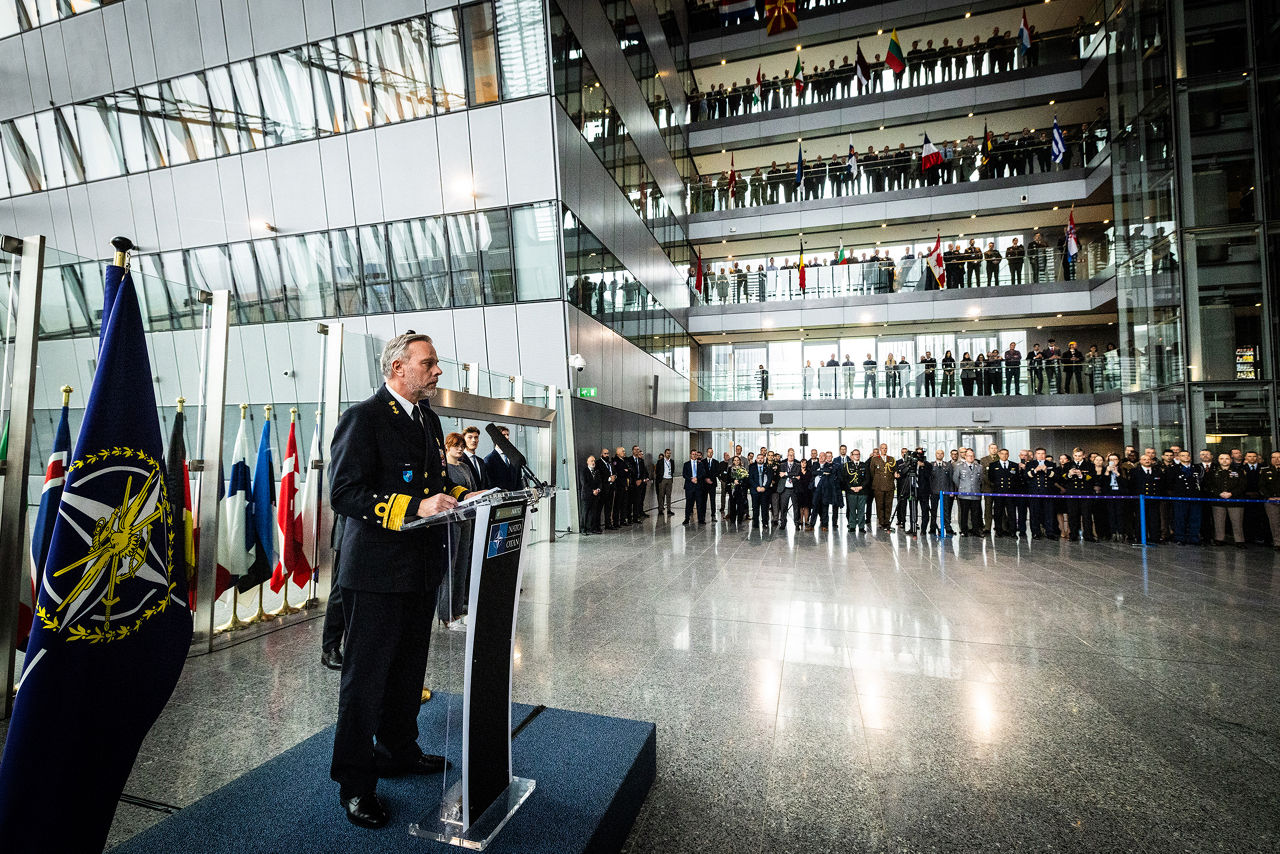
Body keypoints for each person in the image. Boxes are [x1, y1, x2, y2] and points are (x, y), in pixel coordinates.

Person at [328, 332, 470, 829]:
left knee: (409, 671)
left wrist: (464, 495)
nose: (437, 372)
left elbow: (433, 483)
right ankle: (355, 782)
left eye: (436, 364)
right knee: (365, 681)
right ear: (396, 368)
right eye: (428, 364)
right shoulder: (363, 418)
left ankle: (398, 751)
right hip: (374, 574)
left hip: (419, 569)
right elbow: (344, 494)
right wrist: (414, 506)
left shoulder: (428, 420)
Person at [439, 432, 479, 630]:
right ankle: (446, 613)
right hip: (451, 521)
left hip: (467, 519)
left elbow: (471, 489)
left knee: (463, 563)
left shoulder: (464, 467)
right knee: (450, 565)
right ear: (447, 446)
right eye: (456, 445)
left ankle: (457, 609)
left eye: (461, 446)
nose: (460, 449)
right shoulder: (443, 469)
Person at [1206, 453, 1245, 547]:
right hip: (1218, 500)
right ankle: (1219, 539)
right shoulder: (1212, 471)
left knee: (1237, 522)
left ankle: (1239, 541)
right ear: (1218, 460)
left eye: (1227, 458)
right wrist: (1219, 493)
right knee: (1218, 521)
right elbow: (1209, 485)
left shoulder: (1239, 471)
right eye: (1221, 458)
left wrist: (1231, 493)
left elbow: (1242, 485)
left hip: (1235, 500)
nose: (1224, 460)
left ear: (1231, 460)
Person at [1164, 450, 1202, 546]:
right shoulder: (1173, 469)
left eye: (1187, 455)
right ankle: (1180, 538)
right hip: (1180, 498)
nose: (1185, 457)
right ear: (1179, 457)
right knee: (1180, 519)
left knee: (1194, 519)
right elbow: (1169, 483)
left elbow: (1201, 482)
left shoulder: (1197, 468)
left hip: (1194, 497)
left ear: (1190, 457)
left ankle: (1194, 538)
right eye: (1183, 455)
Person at [1062, 447, 1096, 541]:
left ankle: (1088, 535)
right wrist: (1069, 474)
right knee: (1073, 515)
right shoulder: (1068, 465)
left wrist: (1081, 475)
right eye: (1076, 456)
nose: (1077, 458)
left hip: (1085, 493)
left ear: (1084, 456)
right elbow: (1063, 478)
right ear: (1073, 456)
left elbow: (1092, 478)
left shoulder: (1089, 465)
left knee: (1086, 515)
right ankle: (1073, 534)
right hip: (1072, 494)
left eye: (1080, 456)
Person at [1026, 447, 1059, 539]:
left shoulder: (1051, 464)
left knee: (1049, 513)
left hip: (1048, 492)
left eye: (1043, 453)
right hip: (1034, 492)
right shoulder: (1030, 464)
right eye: (1039, 453)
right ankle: (1036, 532)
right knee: (1034, 514)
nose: (1041, 455)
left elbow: (1056, 477)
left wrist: (1046, 471)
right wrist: (1035, 470)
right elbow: (1026, 476)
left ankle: (1050, 532)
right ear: (1036, 455)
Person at [987, 449, 1018, 537]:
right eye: (1002, 454)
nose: (1004, 456)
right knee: (998, 513)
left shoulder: (1014, 465)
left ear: (1008, 455)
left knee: (1011, 513)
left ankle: (1012, 531)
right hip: (998, 493)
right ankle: (998, 531)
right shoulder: (993, 465)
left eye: (1006, 454)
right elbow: (991, 478)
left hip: (1010, 493)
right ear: (999, 455)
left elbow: (1016, 479)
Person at [953, 449, 984, 535]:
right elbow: (956, 479)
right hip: (964, 494)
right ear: (965, 457)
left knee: (975, 513)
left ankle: (976, 530)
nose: (970, 457)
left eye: (972, 456)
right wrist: (963, 487)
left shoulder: (979, 467)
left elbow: (981, 479)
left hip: (975, 493)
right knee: (964, 513)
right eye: (969, 456)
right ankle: (964, 531)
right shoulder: (959, 467)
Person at [838, 449, 869, 533]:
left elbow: (867, 478)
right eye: (855, 454)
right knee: (851, 509)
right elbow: (844, 479)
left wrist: (861, 487)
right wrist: (850, 487)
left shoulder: (864, 465)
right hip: (851, 491)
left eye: (858, 454)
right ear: (851, 456)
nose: (857, 456)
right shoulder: (847, 465)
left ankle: (861, 526)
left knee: (861, 510)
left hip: (862, 491)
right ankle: (852, 526)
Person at [484, 425, 522, 491]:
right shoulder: (489, 459)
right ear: (496, 438)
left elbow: (519, 481)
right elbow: (490, 484)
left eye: (508, 435)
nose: (507, 437)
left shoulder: (514, 457)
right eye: (504, 435)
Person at [870, 445, 895, 531]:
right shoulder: (875, 459)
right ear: (880, 450)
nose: (884, 450)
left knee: (888, 504)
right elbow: (872, 472)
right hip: (878, 485)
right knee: (880, 504)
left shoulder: (891, 459)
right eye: (883, 448)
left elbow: (894, 471)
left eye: (885, 448)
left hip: (889, 485)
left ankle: (887, 521)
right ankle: (881, 522)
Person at [580, 453, 605, 533]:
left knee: (594, 513)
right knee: (585, 513)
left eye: (594, 461)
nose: (593, 462)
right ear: (587, 462)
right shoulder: (584, 471)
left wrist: (598, 489)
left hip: (595, 496)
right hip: (587, 496)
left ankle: (592, 528)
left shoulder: (597, 472)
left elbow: (600, 483)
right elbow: (584, 484)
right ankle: (583, 529)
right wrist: (592, 491)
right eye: (591, 461)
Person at [1261, 451, 1280, 551]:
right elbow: (1262, 486)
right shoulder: (1265, 471)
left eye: (1279, 457)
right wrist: (1269, 497)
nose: (1277, 460)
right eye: (1274, 457)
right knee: (1274, 523)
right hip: (1271, 501)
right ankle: (1277, 543)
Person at [682, 449, 706, 526]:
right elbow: (684, 474)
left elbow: (703, 473)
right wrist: (691, 479)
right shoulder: (686, 464)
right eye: (693, 454)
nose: (694, 455)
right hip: (689, 486)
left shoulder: (700, 464)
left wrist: (697, 478)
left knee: (699, 503)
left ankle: (701, 519)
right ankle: (686, 518)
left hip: (698, 486)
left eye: (695, 454)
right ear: (690, 455)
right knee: (689, 503)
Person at [749, 450, 772, 527]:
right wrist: (757, 487)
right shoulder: (752, 468)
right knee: (755, 508)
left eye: (761, 458)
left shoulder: (768, 468)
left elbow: (769, 479)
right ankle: (755, 523)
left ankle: (765, 522)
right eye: (758, 458)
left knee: (764, 508)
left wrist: (764, 488)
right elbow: (750, 479)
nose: (760, 459)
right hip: (755, 491)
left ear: (764, 459)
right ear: (756, 459)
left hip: (765, 491)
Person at [631, 446, 650, 520]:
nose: (637, 451)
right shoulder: (630, 460)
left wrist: (643, 480)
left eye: (638, 450)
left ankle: (639, 513)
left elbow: (644, 472)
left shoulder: (641, 461)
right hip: (634, 484)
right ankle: (634, 515)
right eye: (636, 450)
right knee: (635, 501)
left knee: (640, 499)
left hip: (642, 483)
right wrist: (636, 480)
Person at [654, 448, 675, 516]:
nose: (669, 454)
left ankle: (669, 510)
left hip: (669, 479)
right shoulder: (660, 461)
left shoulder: (672, 461)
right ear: (665, 453)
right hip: (662, 479)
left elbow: (673, 470)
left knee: (668, 495)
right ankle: (660, 509)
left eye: (669, 453)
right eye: (667, 453)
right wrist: (660, 477)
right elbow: (657, 471)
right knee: (661, 495)